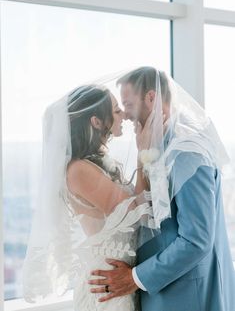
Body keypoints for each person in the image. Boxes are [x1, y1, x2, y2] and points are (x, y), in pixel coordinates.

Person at [89, 67, 235, 311]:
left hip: (189, 295)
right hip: (162, 291)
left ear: (151, 98)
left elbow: (196, 240)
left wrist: (134, 278)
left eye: (128, 104)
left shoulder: (186, 151)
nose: (124, 115)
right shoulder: (157, 145)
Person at [22, 84, 153, 311]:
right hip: (107, 285)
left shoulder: (96, 163)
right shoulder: (78, 170)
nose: (123, 114)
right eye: (115, 110)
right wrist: (143, 154)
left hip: (118, 278)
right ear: (96, 122)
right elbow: (134, 211)